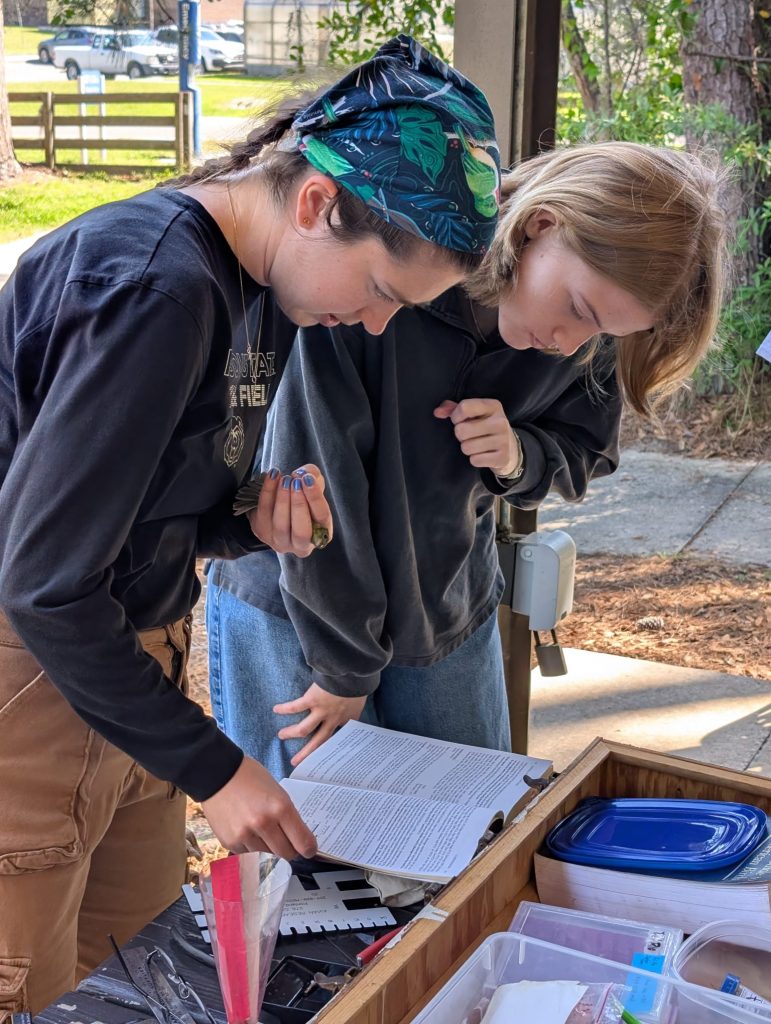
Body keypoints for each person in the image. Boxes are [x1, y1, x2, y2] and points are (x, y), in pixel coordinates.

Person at [0, 36, 501, 1016]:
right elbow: (44, 580)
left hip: (132, 664)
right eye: (385, 291)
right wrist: (219, 767)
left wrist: (248, 525)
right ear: (318, 203)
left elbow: (146, 505)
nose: (375, 323)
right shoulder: (157, 287)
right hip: (33, 679)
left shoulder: (264, 291)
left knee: (137, 969)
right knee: (29, 982)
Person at [206, 141, 729, 780]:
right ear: (541, 225)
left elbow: (583, 450)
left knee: (473, 839)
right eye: (579, 311)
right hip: (302, 605)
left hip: (445, 603)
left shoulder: (588, 319)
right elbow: (317, 478)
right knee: (320, 860)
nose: (570, 345)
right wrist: (344, 665)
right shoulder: (378, 267)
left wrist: (518, 455)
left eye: (604, 335)